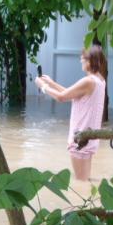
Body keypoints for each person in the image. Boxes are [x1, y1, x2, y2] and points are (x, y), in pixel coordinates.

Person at [35, 45, 106, 181]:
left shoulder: (88, 81)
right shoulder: (100, 80)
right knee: (86, 181)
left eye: (83, 59)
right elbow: (72, 94)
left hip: (80, 139)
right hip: (90, 137)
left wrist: (43, 87)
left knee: (81, 183)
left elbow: (61, 97)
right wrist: (51, 83)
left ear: (90, 61)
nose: (81, 61)